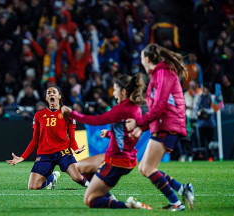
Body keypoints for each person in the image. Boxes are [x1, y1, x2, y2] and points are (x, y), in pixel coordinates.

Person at [62, 74, 151, 210]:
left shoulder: (121, 109)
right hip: (124, 158)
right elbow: (127, 135)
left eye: (115, 89)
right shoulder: (135, 109)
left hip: (116, 160)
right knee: (80, 167)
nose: (113, 93)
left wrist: (72, 113)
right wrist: (110, 134)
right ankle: (109, 197)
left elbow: (95, 120)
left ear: (123, 91)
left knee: (90, 200)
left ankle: (128, 206)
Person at [126, 44, 194, 211]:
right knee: (144, 168)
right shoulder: (159, 75)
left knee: (148, 168)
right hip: (163, 124)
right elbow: (155, 107)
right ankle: (183, 188)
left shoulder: (163, 73)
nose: (141, 61)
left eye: (142, 58)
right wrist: (142, 127)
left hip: (168, 124)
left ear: (147, 59)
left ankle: (176, 203)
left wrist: (140, 124)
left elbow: (159, 106)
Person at [6, 86, 88, 190]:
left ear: (59, 96)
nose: (51, 94)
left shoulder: (67, 114)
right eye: (49, 93)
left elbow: (72, 137)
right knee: (32, 187)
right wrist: (22, 157)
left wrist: (76, 149)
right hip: (45, 155)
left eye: (54, 92)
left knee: (78, 178)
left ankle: (96, 187)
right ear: (46, 98)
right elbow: (35, 140)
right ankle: (52, 177)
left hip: (63, 153)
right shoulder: (39, 115)